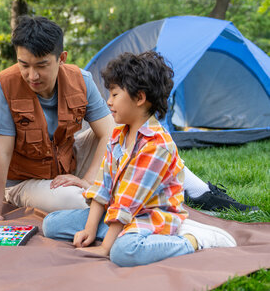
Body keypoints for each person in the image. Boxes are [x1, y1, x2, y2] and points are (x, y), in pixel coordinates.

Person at [0, 16, 256, 226]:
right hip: (26, 179)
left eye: (41, 65)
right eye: (24, 65)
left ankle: (201, 192)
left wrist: (86, 179)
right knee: (77, 201)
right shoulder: (4, 87)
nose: (32, 75)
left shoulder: (80, 79)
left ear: (61, 58)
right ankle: (132, 201)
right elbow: (2, 153)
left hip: (70, 160)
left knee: (138, 133)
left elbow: (109, 133)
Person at [42, 51, 236, 267]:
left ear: (140, 98)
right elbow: (102, 186)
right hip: (119, 214)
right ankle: (115, 233)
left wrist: (105, 247)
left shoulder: (157, 145)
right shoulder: (118, 135)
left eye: (115, 95)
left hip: (149, 216)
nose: (108, 101)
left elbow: (128, 201)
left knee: (123, 253)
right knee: (51, 224)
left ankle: (192, 239)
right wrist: (89, 228)